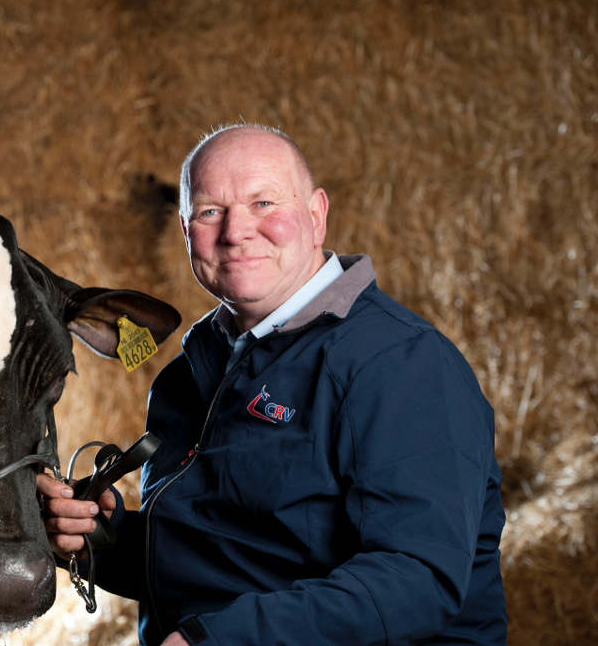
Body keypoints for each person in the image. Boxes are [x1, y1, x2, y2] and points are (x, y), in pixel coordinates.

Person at [37, 124, 507, 645]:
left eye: (263, 203)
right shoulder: (186, 375)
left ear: (316, 216)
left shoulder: (399, 364)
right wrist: (100, 540)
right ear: (186, 230)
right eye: (210, 210)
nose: (236, 231)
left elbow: (418, 579)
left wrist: (219, 640)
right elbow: (229, 555)